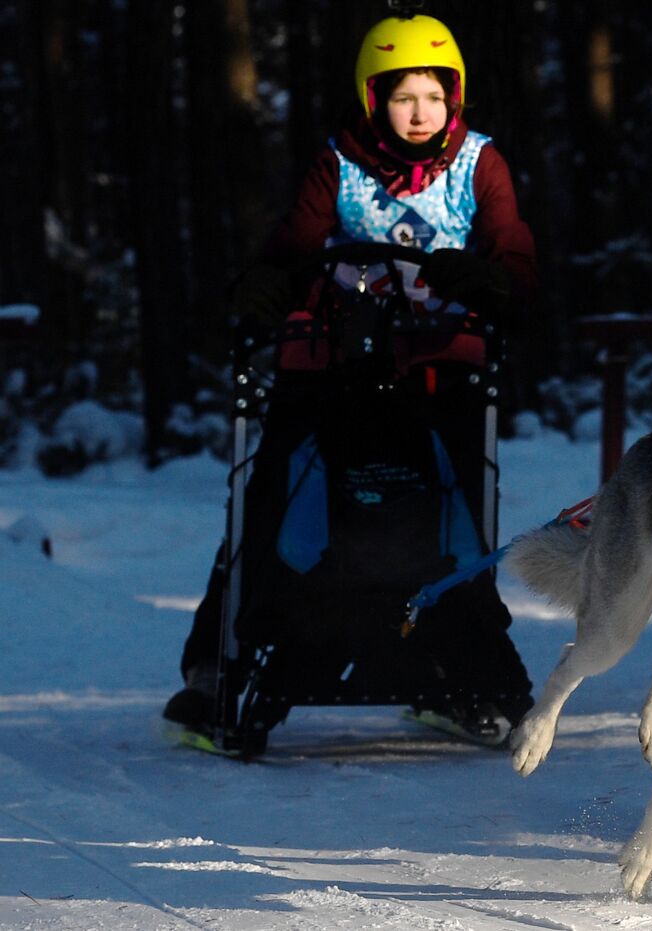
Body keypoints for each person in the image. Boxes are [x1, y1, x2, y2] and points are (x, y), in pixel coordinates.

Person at [163, 11, 536, 744]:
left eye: (434, 96)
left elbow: (515, 261)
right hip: (336, 368)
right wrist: (265, 285)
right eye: (403, 98)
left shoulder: (481, 163)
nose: (421, 113)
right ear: (374, 101)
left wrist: (487, 279)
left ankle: (460, 670)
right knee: (271, 495)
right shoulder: (339, 161)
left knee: (449, 522)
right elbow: (291, 245)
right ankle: (220, 664)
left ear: (455, 97)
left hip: (439, 373)